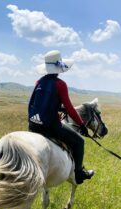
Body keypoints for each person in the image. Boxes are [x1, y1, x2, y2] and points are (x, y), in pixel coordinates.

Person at [28, 50, 94, 184]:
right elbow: (70, 108)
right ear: (59, 67)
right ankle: (79, 173)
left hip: (33, 125)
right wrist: (81, 125)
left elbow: (41, 102)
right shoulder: (60, 84)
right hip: (49, 126)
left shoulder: (38, 81)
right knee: (80, 141)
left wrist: (57, 107)